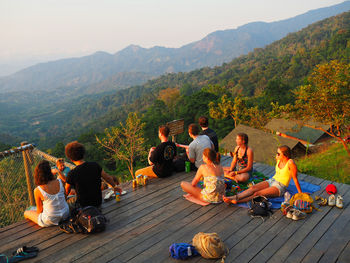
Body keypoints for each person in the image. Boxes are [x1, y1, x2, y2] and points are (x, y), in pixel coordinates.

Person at [223, 145, 302, 204]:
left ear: (285, 155)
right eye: (277, 153)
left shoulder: (291, 163)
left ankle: (237, 201)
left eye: (278, 153)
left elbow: (295, 178)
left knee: (258, 193)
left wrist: (300, 193)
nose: (276, 155)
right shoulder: (279, 159)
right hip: (272, 180)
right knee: (253, 188)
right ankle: (235, 197)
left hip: (280, 186)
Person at [64, 141, 121, 209]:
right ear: (83, 154)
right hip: (97, 202)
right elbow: (107, 177)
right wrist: (115, 187)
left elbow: (66, 191)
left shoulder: (72, 173)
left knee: (69, 201)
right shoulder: (95, 165)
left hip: (84, 206)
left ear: (70, 158)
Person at [24, 160, 69, 227]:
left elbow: (39, 211)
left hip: (50, 219)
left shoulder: (38, 190)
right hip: (66, 214)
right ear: (50, 172)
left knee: (27, 212)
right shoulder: (60, 182)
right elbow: (65, 198)